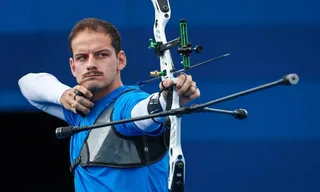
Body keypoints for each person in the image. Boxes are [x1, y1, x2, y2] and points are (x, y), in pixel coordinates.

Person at [18, 17, 200, 192]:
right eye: (82, 57)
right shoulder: (78, 110)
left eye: (101, 55)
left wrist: (169, 99)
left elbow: (144, 113)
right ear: (73, 67)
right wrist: (63, 95)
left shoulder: (127, 103)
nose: (91, 64)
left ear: (120, 60)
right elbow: (27, 83)